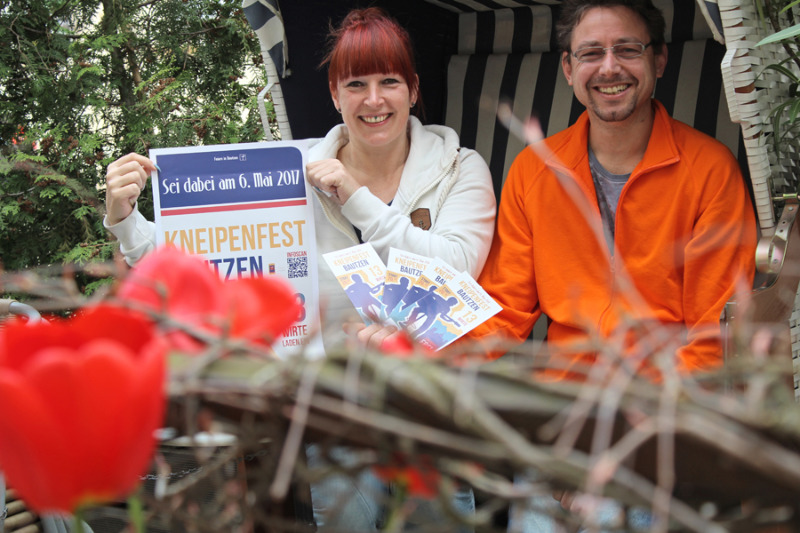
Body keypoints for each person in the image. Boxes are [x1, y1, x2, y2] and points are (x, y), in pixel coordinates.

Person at [103, 7, 495, 532]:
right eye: (356, 84)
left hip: (427, 403)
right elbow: (204, 265)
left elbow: (454, 272)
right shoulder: (291, 169)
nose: (374, 100)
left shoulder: (459, 166)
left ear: (414, 89)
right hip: (332, 408)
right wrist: (127, 221)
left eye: (389, 82)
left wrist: (357, 200)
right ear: (335, 95)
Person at [466, 0, 757, 530]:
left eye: (628, 49)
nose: (609, 68)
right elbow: (502, 310)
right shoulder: (536, 169)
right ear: (569, 69)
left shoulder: (710, 170)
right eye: (591, 53)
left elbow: (713, 339)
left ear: (659, 61)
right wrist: (418, 355)